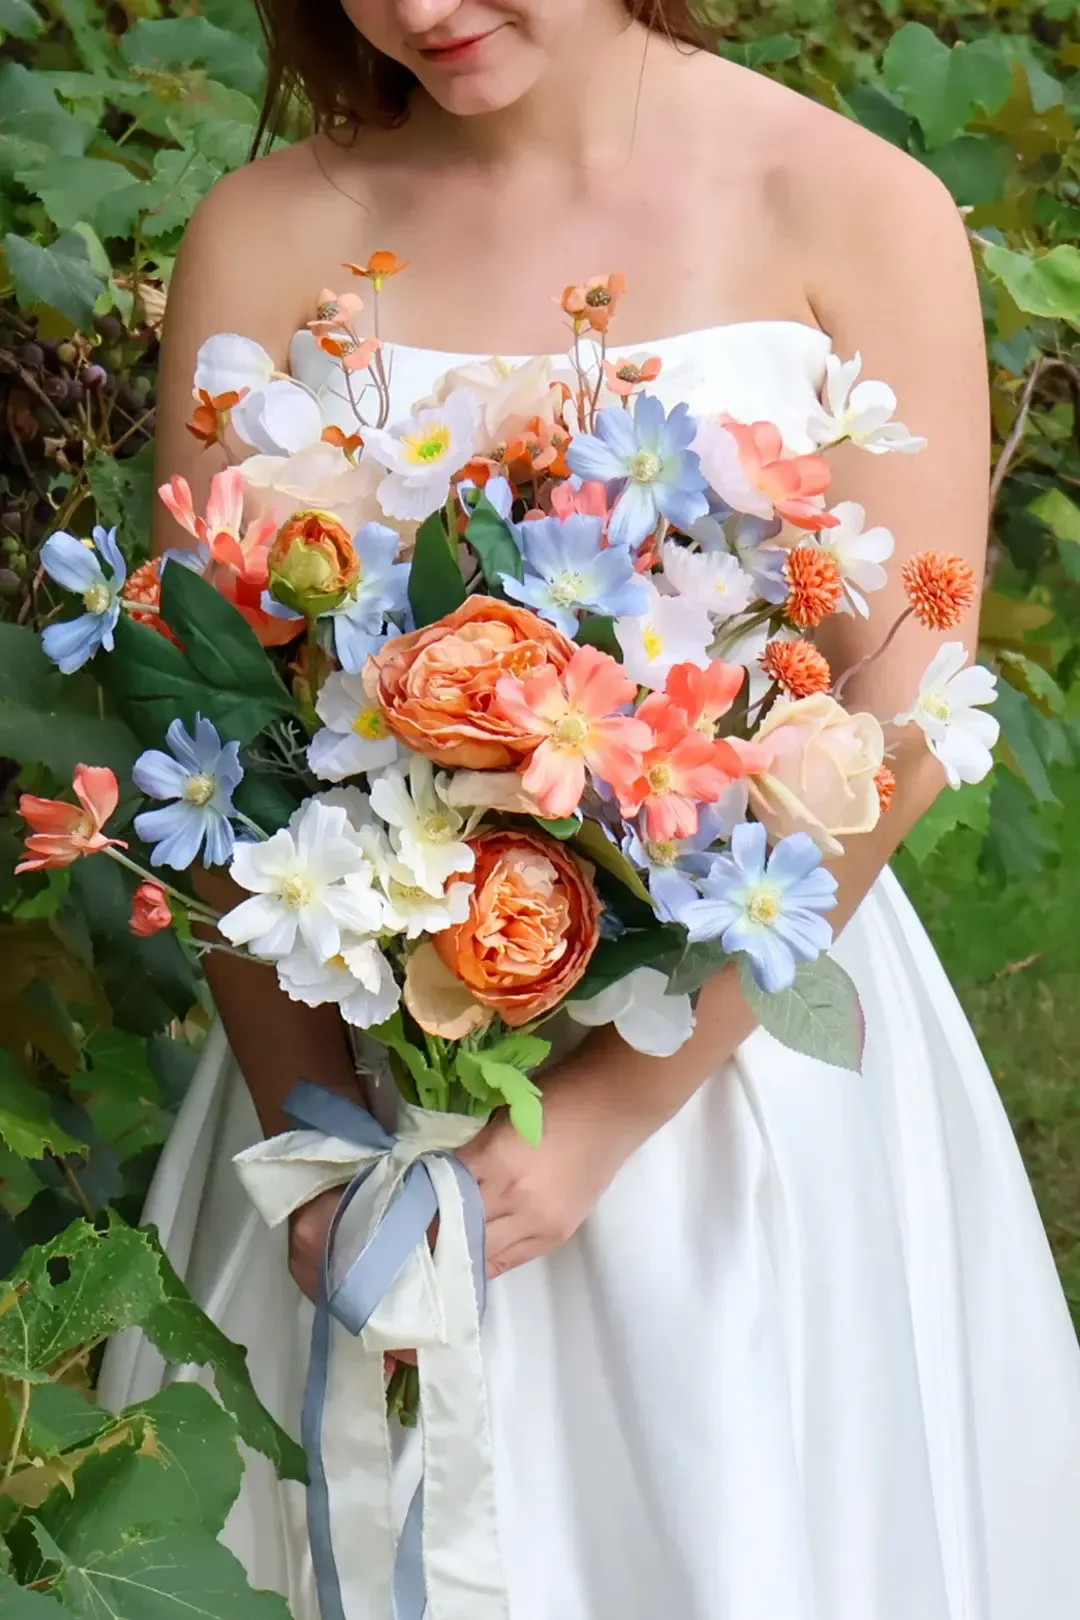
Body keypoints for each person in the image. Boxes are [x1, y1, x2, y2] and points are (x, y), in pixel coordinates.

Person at [99, 2, 1080, 1616]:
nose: (418, 8)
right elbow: (199, 712)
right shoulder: (272, 234)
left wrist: (608, 1119)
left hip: (721, 1070)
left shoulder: (848, 206)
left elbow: (900, 713)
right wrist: (327, 1147)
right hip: (356, 1052)